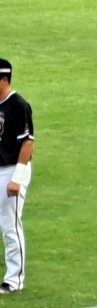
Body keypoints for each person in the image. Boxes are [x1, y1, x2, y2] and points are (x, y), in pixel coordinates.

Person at [0, 59, 34, 295]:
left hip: (12, 170)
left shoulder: (19, 105)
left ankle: (14, 279)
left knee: (10, 224)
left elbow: (28, 142)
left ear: (4, 79)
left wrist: (17, 178)